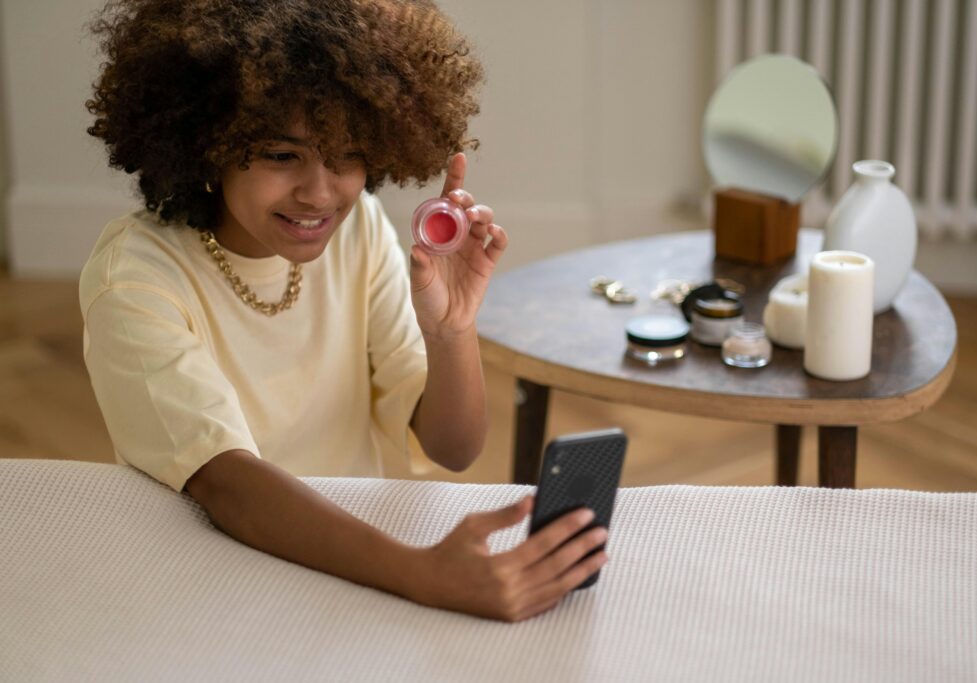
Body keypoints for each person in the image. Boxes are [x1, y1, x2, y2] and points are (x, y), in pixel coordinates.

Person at [80, 0, 607, 622]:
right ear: (206, 144)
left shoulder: (358, 236)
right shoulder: (136, 279)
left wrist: (451, 330)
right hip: (221, 574)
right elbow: (226, 483)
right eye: (281, 156)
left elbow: (454, 446)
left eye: (347, 154)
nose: (320, 193)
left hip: (365, 550)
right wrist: (423, 575)